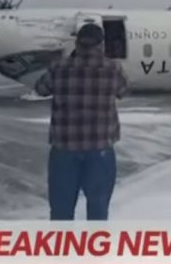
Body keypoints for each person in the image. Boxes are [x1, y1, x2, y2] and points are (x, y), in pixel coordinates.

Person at [34, 23, 128, 220]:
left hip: (64, 149)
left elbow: (40, 89)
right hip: (100, 150)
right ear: (101, 45)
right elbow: (123, 91)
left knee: (61, 211)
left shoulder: (59, 68)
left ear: (77, 43)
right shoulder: (113, 68)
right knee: (98, 210)